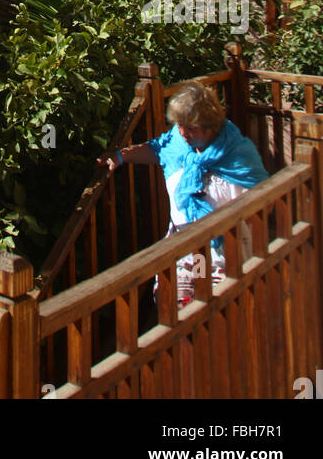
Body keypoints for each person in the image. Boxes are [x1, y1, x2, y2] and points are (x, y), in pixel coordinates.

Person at [98, 81, 268, 305]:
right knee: (175, 305)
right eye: (179, 125)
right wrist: (120, 157)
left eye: (191, 128)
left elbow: (265, 200)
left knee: (220, 313)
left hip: (226, 251)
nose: (182, 132)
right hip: (185, 247)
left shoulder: (239, 155)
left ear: (211, 127)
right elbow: (156, 149)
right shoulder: (177, 144)